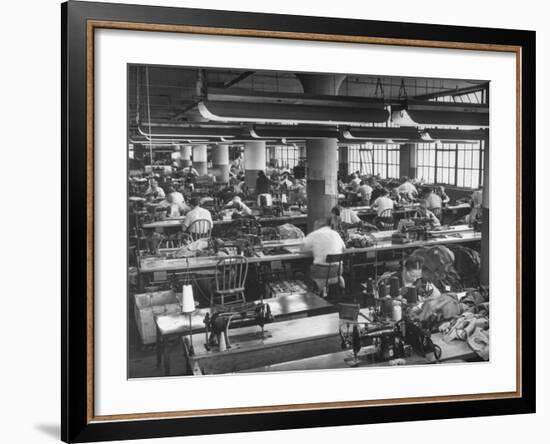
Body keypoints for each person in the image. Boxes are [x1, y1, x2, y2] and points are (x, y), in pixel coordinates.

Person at [301, 219, 346, 297]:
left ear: (317, 227)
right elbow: (344, 248)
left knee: (304, 272)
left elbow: (303, 248)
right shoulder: (335, 233)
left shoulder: (314, 234)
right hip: (338, 270)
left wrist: (314, 248)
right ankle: (329, 292)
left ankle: (312, 297)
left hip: (321, 271)